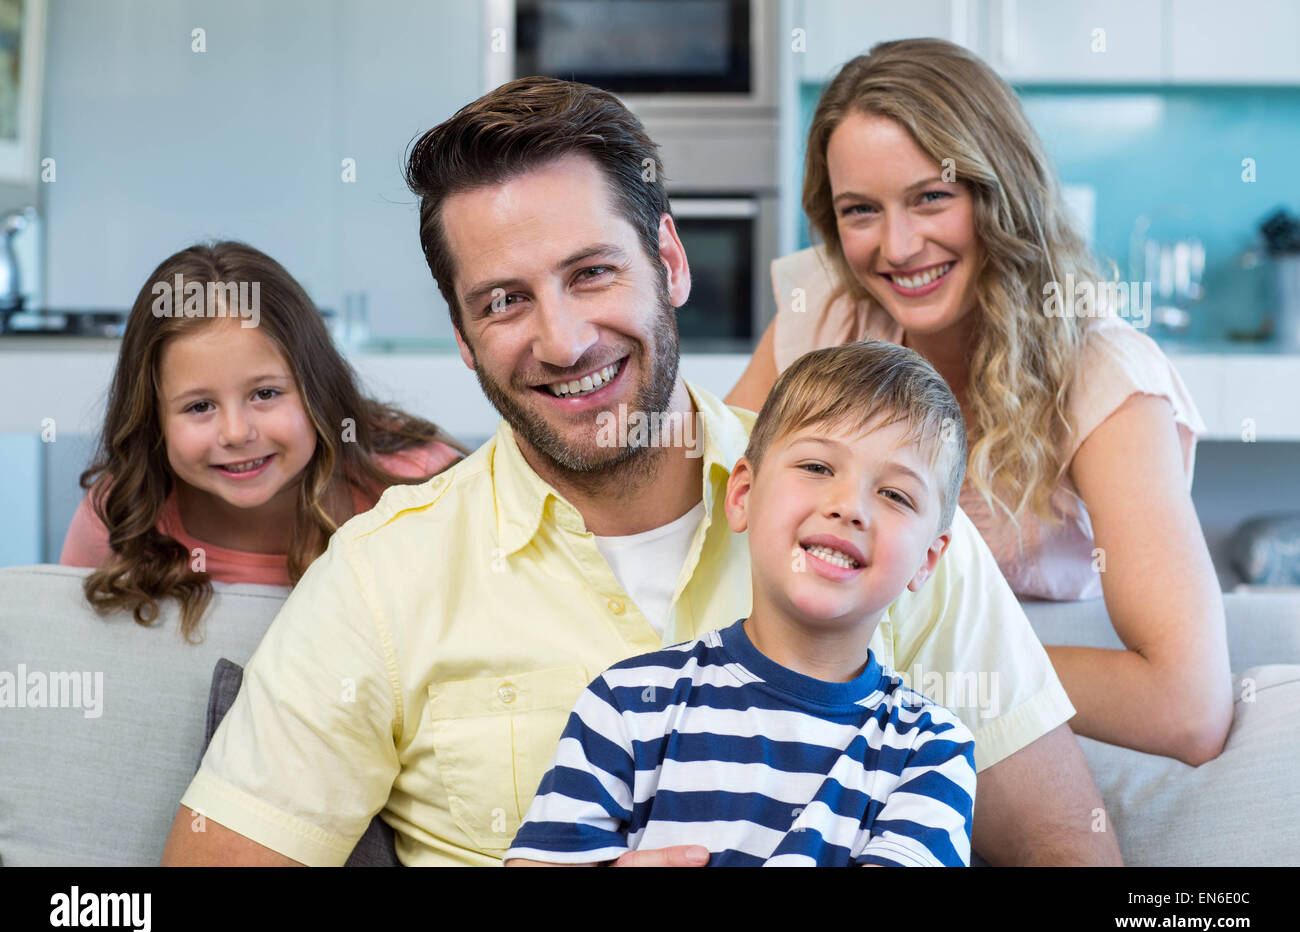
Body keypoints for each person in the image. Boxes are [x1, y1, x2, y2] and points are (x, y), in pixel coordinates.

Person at [161, 77, 1119, 866]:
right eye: (504, 300)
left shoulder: (883, 518)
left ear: (669, 259)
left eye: (591, 273)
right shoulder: (379, 581)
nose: (564, 339)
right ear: (461, 337)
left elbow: (1072, 861)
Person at [727, 39, 1230, 767]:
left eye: (932, 197)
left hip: (1041, 730)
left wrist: (898, 667)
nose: (898, 247)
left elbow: (1188, 708)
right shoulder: (828, 312)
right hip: (828, 712)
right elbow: (713, 513)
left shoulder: (1102, 375)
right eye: (860, 210)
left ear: (1002, 191)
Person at [505, 341, 977, 867]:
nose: (848, 507)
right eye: (818, 466)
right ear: (743, 495)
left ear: (927, 561)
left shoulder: (931, 752)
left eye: (895, 495)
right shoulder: (625, 704)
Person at [61, 241, 465, 639]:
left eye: (265, 394)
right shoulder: (121, 514)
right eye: (200, 406)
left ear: (317, 389)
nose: (236, 433)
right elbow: (74, 649)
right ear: (153, 419)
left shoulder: (421, 488)